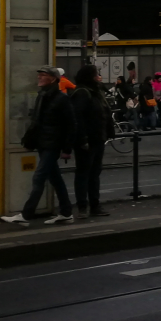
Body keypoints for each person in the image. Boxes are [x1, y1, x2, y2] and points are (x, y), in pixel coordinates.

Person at [1, 67, 77, 225]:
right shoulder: (42, 96)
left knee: (39, 177)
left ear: (53, 79)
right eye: (39, 75)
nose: (39, 78)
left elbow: (70, 124)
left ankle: (26, 215)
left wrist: (67, 149)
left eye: (44, 75)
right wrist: (30, 140)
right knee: (55, 178)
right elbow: (37, 121)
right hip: (43, 143)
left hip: (52, 144)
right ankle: (66, 213)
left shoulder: (61, 99)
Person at [69, 65, 112, 217]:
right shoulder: (82, 93)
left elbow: (103, 114)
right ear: (89, 76)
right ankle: (82, 207)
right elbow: (77, 118)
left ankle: (95, 205)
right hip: (88, 140)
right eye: (96, 74)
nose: (99, 76)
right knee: (84, 173)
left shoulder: (96, 92)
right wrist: (82, 139)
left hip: (98, 139)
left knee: (94, 173)